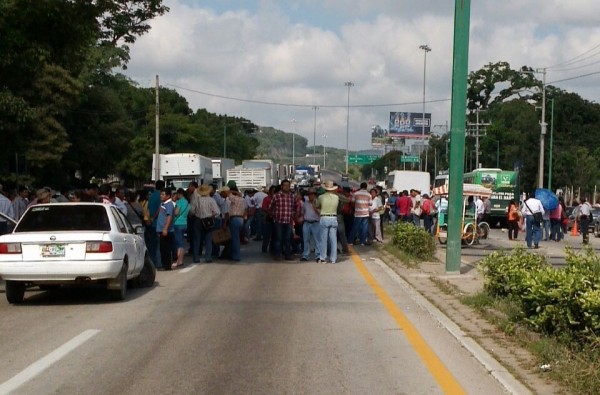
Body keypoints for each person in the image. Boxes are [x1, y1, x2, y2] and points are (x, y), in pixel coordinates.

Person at [191, 184, 220, 263]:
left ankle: (196, 257)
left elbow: (192, 211)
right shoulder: (211, 200)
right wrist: (212, 216)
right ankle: (208, 257)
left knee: (197, 240)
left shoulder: (197, 200)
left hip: (198, 220)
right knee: (208, 239)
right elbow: (217, 212)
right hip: (208, 220)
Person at [269, 179, 295, 260]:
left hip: (288, 221)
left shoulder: (292, 196)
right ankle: (277, 255)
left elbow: (294, 207)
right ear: (281, 186)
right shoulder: (276, 196)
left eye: (288, 186)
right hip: (278, 221)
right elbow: (270, 207)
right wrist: (274, 216)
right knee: (278, 239)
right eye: (285, 185)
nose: (286, 187)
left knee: (287, 239)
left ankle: (287, 255)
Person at [317, 181, 340, 263]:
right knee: (333, 239)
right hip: (333, 217)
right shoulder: (336, 197)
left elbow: (317, 206)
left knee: (323, 239)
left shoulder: (321, 197)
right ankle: (333, 258)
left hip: (324, 217)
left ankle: (323, 257)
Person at [300, 188, 321, 262]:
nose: (310, 196)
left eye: (312, 194)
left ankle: (318, 255)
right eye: (309, 194)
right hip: (307, 223)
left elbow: (320, 213)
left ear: (315, 195)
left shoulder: (318, 203)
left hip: (316, 223)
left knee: (317, 240)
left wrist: (314, 206)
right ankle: (305, 255)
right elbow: (303, 213)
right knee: (306, 240)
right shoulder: (305, 203)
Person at [225, 186, 246, 261]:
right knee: (237, 238)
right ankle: (236, 255)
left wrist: (231, 192)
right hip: (241, 219)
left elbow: (227, 193)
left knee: (235, 239)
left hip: (234, 218)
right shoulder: (242, 200)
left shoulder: (234, 198)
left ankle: (235, 256)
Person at [156, 188, 175, 270]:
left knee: (166, 249)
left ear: (168, 196)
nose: (161, 196)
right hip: (161, 230)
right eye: (161, 194)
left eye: (163, 194)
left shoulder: (169, 204)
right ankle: (165, 265)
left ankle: (167, 266)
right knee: (162, 248)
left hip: (166, 230)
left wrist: (165, 228)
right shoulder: (163, 203)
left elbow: (169, 216)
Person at [147, 180, 164, 268]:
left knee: (152, 245)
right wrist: (154, 217)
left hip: (151, 223)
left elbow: (148, 208)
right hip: (158, 223)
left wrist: (150, 218)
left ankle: (152, 262)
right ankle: (159, 263)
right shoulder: (160, 196)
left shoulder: (151, 195)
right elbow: (160, 208)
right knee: (158, 245)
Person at [172, 188, 190, 268]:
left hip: (177, 224)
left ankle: (179, 260)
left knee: (179, 243)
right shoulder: (187, 202)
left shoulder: (179, 202)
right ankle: (181, 260)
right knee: (181, 241)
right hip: (184, 223)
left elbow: (176, 213)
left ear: (179, 194)